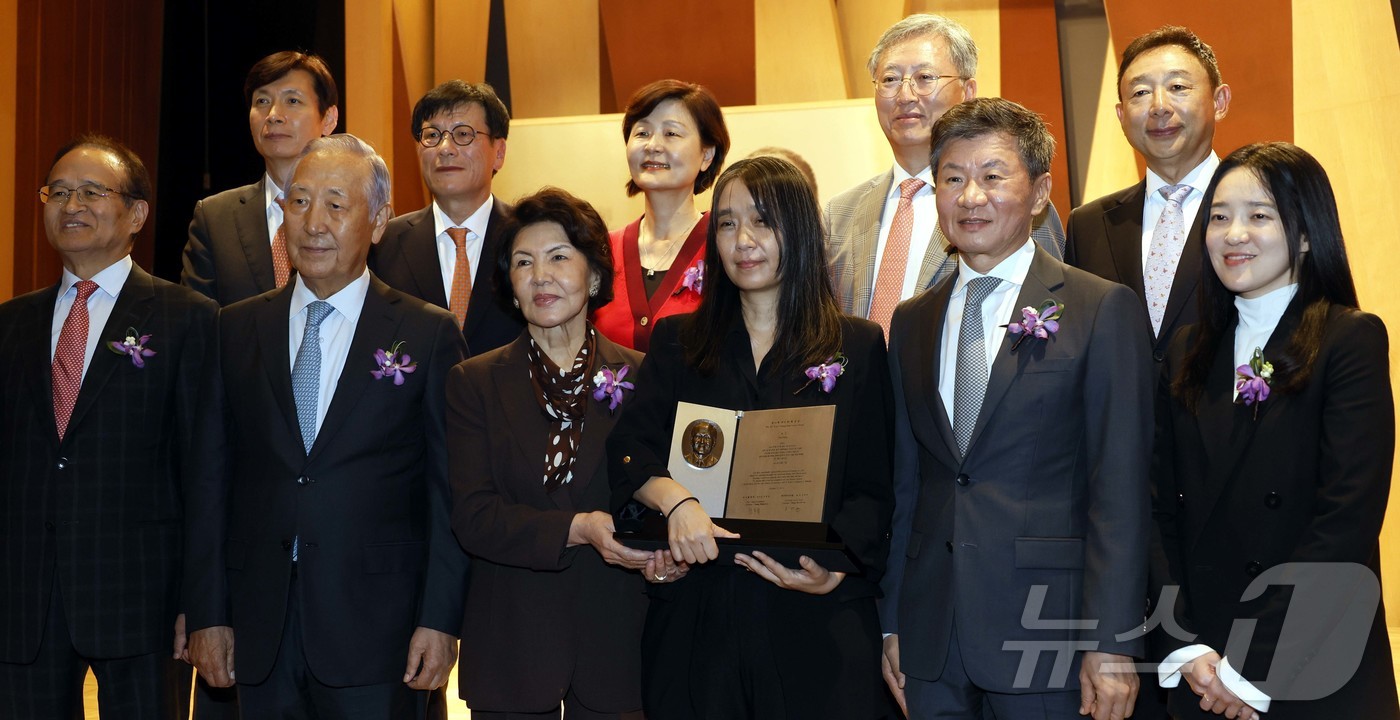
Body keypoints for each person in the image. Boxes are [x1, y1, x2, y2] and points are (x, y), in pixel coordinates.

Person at [882, 98, 1151, 720]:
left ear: (1038, 194)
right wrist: (893, 621)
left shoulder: (1098, 308)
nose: (970, 196)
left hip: (1048, 635)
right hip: (930, 637)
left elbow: (1120, 491)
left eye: (993, 176)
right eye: (952, 178)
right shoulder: (912, 319)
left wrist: (1111, 645)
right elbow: (908, 483)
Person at [183, 134, 469, 718]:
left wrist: (440, 620)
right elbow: (210, 481)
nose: (314, 223)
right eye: (299, 202)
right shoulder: (234, 329)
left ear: (379, 219)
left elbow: (448, 493)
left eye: (337, 205)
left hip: (378, 625)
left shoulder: (426, 333)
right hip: (258, 625)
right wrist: (209, 611)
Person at [608, 156, 895, 719]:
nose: (744, 240)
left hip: (812, 619)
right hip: (699, 611)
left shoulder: (856, 346)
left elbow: (875, 486)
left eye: (764, 221)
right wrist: (677, 502)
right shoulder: (679, 342)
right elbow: (628, 450)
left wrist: (834, 569)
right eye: (727, 223)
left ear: (802, 231)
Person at [1151, 142, 1398, 720]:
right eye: (1219, 216)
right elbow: (1157, 506)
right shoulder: (1187, 350)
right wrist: (1185, 643)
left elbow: (1345, 522)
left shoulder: (1349, 340)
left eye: (1259, 215)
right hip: (1202, 669)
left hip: (1308, 664)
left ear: (1307, 233)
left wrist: (1251, 668)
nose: (1233, 233)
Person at [0, 135, 215, 718]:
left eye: (92, 191)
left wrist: (199, 601)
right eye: (59, 192)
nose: (72, 205)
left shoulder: (187, 319)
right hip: (25, 603)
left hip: (142, 601)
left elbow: (205, 472)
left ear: (137, 213)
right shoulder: (10, 324)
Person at [448, 187, 657, 719]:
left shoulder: (644, 376)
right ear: (511, 289)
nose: (541, 275)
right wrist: (577, 527)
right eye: (524, 262)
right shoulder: (474, 383)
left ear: (592, 276)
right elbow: (474, 517)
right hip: (511, 649)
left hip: (618, 648)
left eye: (559, 257)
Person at [825, 14, 1065, 336]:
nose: (905, 95)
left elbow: (1050, 317)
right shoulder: (839, 213)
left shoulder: (1012, 203)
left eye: (925, 77)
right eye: (890, 79)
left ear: (967, 91)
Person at [1066, 26, 1232, 364]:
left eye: (1178, 87)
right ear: (1121, 114)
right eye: (1140, 93)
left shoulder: (1268, 208)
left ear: (1219, 102)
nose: (1159, 106)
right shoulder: (1088, 227)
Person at [370, 80, 524, 356]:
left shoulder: (527, 235)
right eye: (431, 135)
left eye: (462, 134)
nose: (445, 147)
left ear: (498, 152)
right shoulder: (383, 243)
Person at [182, 51, 340, 306]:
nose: (274, 114)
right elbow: (195, 322)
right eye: (262, 101)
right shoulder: (214, 217)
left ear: (328, 119)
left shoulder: (356, 210)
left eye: (292, 101)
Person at [592, 79, 730, 352]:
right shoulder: (600, 250)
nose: (653, 145)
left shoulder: (726, 246)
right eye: (642, 133)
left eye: (671, 134)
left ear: (707, 154)